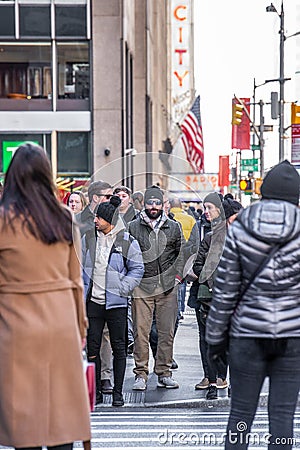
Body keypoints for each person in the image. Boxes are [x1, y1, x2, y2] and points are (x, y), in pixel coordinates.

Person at [0, 143, 91, 449]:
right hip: (61, 324)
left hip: (16, 326)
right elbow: (75, 280)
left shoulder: (3, 220)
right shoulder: (64, 218)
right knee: (60, 420)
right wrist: (80, 328)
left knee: (25, 422)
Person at [206, 160, 300, 450]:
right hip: (292, 335)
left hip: (247, 334)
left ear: (264, 192)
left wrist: (215, 339)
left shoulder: (242, 225)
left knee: (241, 415)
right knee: (282, 416)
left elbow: (225, 289)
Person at [85, 195, 144, 406]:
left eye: (99, 218)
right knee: (92, 349)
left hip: (116, 303)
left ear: (109, 220)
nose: (95, 221)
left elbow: (137, 268)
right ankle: (97, 392)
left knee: (119, 348)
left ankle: (118, 393)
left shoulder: (125, 240)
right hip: (93, 302)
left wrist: (122, 288)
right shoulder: (88, 239)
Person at [128, 185, 185, 390]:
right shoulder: (133, 227)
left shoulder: (174, 227)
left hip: (168, 287)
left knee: (166, 333)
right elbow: (126, 254)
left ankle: (163, 372)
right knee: (140, 332)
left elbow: (183, 254)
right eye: (150, 202)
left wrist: (177, 277)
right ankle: (140, 374)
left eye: (157, 203)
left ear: (163, 204)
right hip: (142, 286)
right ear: (144, 203)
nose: (153, 206)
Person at [76, 180, 114, 395]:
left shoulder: (112, 216)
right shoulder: (78, 221)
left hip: (106, 285)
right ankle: (86, 375)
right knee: (86, 334)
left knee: (106, 335)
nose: (111, 199)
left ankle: (105, 376)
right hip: (83, 283)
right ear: (95, 198)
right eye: (107, 196)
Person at [192, 192, 228, 399]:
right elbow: (198, 264)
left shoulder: (224, 233)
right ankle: (211, 376)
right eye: (204, 208)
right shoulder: (205, 230)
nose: (206, 212)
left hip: (220, 294)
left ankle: (220, 376)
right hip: (205, 293)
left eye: (209, 208)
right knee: (204, 337)